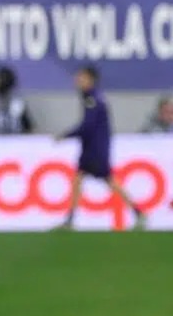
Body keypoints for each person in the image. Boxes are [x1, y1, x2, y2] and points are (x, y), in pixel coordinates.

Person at [55, 65, 146, 230]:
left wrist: (66, 135)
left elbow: (87, 126)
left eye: (81, 77)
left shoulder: (92, 99)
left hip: (94, 148)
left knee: (106, 179)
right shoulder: (94, 97)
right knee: (82, 179)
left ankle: (137, 211)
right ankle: (70, 219)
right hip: (95, 146)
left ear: (90, 79)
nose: (77, 80)